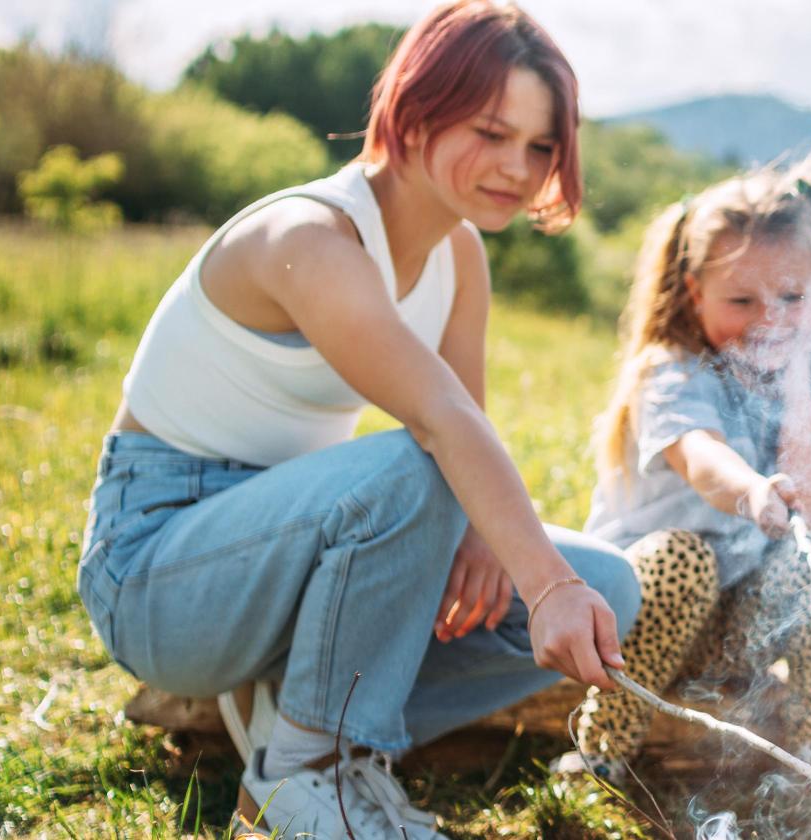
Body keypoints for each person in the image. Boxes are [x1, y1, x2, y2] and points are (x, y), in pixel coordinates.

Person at [73, 3, 638, 836]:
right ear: (416, 109)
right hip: (161, 573)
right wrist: (542, 579)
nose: (518, 167)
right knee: (426, 467)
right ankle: (303, 776)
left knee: (611, 587)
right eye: (491, 131)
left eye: (541, 146)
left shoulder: (460, 256)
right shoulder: (308, 237)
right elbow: (441, 422)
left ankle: (308, 721)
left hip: (294, 558)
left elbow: (464, 426)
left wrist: (498, 545)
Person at [558, 158, 811, 780]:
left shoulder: (799, 382)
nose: (769, 320)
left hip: (738, 626)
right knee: (683, 558)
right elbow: (701, 457)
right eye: (741, 300)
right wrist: (752, 490)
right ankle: (603, 748)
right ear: (695, 292)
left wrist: (803, 375)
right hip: (643, 616)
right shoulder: (671, 371)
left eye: (792, 298)